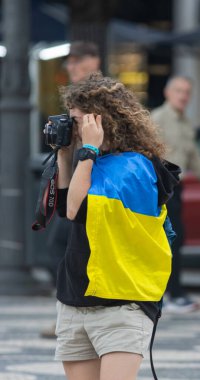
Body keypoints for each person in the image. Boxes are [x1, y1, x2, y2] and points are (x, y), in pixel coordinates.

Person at [53, 71, 180, 380]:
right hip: (76, 300)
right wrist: (64, 152)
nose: (76, 129)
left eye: (80, 122)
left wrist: (88, 153)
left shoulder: (134, 167)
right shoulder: (91, 161)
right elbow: (62, 205)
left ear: (103, 121)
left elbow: (77, 209)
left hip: (122, 304)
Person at [151, 75, 200, 314]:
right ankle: (171, 293)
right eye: (179, 91)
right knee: (169, 241)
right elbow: (146, 154)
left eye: (187, 92)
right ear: (167, 93)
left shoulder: (184, 122)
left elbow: (194, 156)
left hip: (176, 188)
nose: (184, 96)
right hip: (161, 188)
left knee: (176, 239)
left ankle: (174, 292)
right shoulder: (158, 119)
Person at [41, 41, 101, 338]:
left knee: (67, 247)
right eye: (70, 63)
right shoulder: (74, 96)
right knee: (61, 247)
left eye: (78, 61)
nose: (72, 67)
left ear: (94, 60)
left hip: (95, 177)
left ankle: (79, 310)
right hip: (76, 172)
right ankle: (72, 309)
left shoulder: (103, 93)